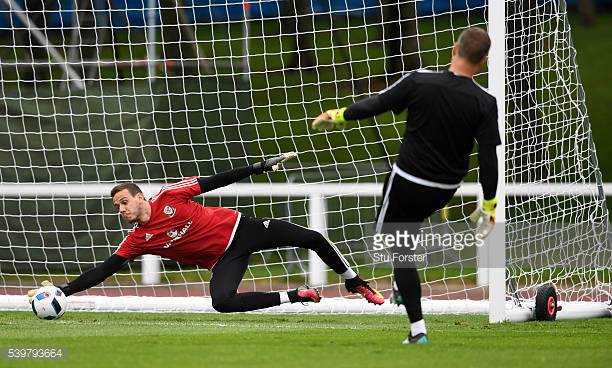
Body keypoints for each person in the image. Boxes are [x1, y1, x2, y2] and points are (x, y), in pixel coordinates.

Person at [312, 27, 500, 344]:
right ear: (483, 62)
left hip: (406, 184)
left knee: (398, 249)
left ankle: (417, 329)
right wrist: (490, 207)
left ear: (454, 49)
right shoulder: (485, 101)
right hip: (444, 190)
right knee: (404, 240)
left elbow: (376, 105)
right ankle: (404, 285)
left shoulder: (420, 80)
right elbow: (489, 160)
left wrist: (338, 114)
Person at [28, 153, 384, 311]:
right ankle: (296, 296)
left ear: (138, 197)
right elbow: (105, 269)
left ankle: (355, 281)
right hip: (223, 259)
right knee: (222, 302)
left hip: (242, 229)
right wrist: (66, 290)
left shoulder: (170, 195)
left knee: (311, 237)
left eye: (123, 202)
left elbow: (216, 180)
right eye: (117, 206)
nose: (121, 210)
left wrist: (259, 167)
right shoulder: (137, 239)